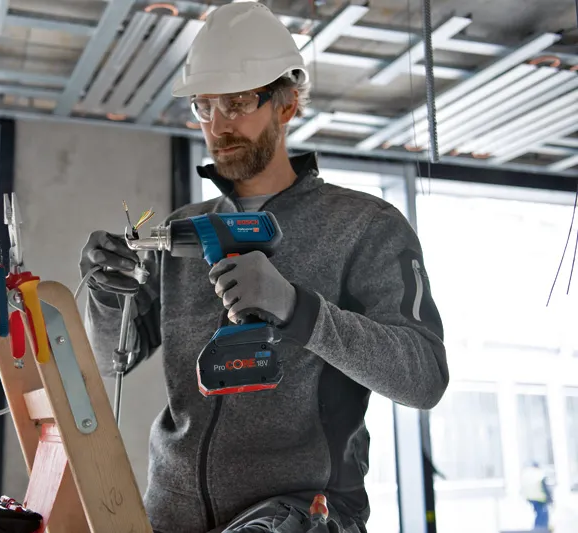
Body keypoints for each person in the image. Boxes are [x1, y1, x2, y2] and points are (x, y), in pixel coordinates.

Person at [79, 3, 449, 532]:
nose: (219, 124)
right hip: (170, 514)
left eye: (238, 102)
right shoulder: (186, 228)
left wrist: (297, 309)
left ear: (287, 104)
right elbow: (112, 360)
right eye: (205, 106)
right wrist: (106, 293)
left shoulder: (364, 225)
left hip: (304, 513)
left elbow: (424, 378)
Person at [521, 462, 553, 530]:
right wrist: (550, 498)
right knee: (543, 514)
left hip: (530, 497)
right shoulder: (540, 473)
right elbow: (544, 487)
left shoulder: (526, 473)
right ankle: (541, 529)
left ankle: (538, 528)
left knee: (538, 513)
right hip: (539, 497)